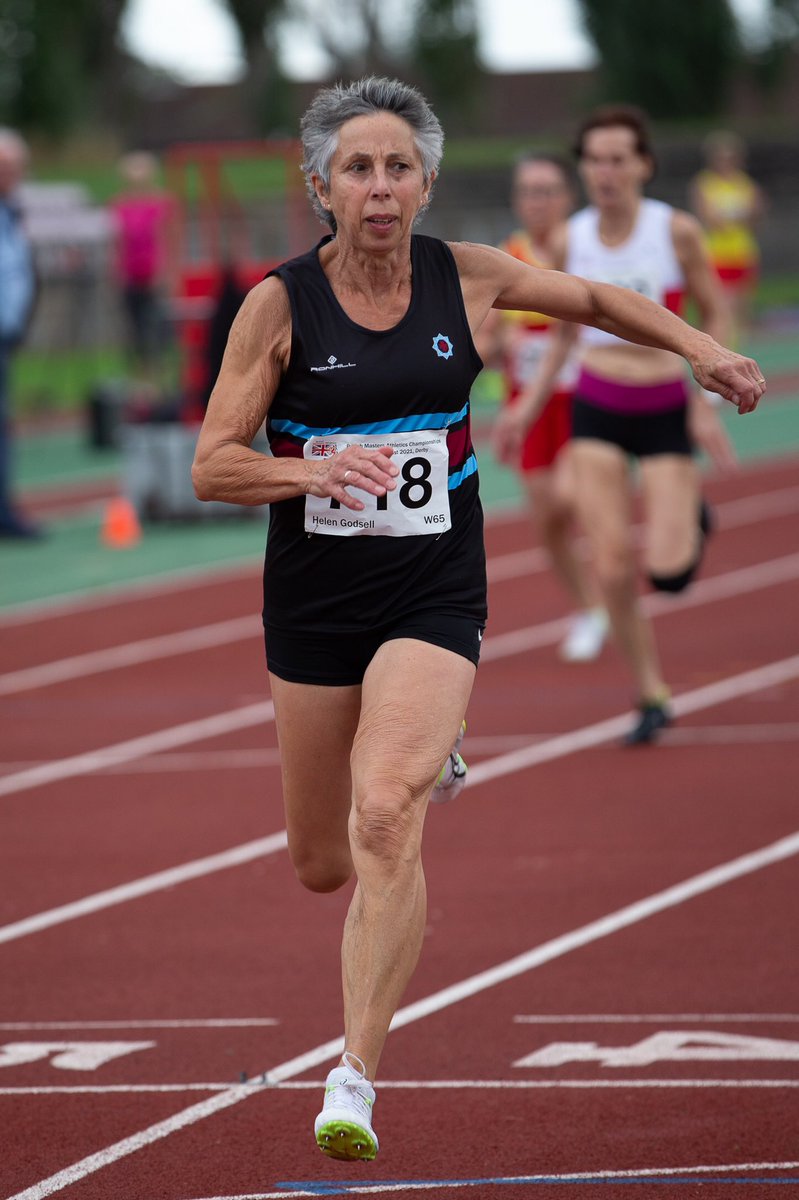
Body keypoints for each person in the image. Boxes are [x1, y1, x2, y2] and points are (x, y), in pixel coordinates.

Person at [191, 79, 764, 1162]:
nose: (379, 187)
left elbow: (592, 300)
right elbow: (212, 464)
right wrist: (309, 470)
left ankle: (353, 1076)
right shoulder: (278, 306)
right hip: (314, 599)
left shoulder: (467, 276)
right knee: (321, 861)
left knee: (384, 811)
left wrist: (697, 347)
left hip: (433, 586)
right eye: (357, 169)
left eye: (398, 167)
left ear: (427, 183)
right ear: (319, 186)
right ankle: (422, 754)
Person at [495, 104, 741, 747]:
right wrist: (526, 406)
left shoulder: (675, 230)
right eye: (594, 160)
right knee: (609, 565)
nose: (605, 171)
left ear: (643, 165)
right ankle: (651, 692)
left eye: (617, 159)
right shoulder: (567, 241)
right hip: (598, 405)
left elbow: (715, 311)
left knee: (670, 574)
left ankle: (689, 520)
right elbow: (562, 337)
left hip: (663, 406)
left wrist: (703, 401)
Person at [478, 152, 608, 662]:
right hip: (528, 405)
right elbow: (488, 335)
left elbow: (568, 335)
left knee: (574, 495)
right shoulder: (507, 257)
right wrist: (487, 347)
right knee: (549, 518)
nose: (538, 201)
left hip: (582, 397)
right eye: (529, 192)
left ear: (568, 197)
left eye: (548, 191)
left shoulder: (582, 251)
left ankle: (611, 587)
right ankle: (589, 609)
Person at [0, 127, 41, 540]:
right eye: (4, 168)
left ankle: (3, 509)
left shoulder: (11, 211)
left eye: (14, 168)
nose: (11, 175)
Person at [690, 130, 765, 345]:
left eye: (731, 157)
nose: (726, 162)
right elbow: (711, 219)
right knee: (723, 306)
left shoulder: (745, 183)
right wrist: (737, 216)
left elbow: (754, 216)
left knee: (742, 307)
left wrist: (737, 216)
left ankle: (740, 348)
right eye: (722, 157)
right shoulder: (705, 183)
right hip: (717, 254)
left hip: (742, 252)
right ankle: (723, 346)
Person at [109, 151, 176, 382]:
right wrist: (118, 272)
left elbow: (167, 238)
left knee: (158, 328)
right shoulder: (120, 205)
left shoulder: (160, 203)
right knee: (134, 330)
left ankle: (159, 374)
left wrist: (166, 272)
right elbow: (118, 242)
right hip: (131, 274)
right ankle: (140, 376)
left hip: (153, 274)